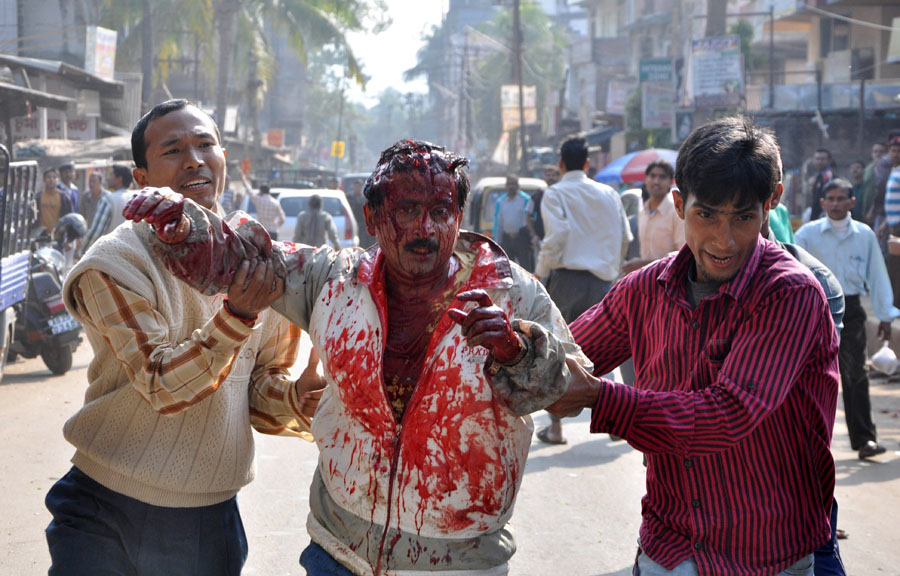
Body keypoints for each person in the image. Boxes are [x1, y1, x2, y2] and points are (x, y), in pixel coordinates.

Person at [123, 138, 587, 576]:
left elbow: (574, 394)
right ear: (371, 216)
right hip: (338, 551)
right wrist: (186, 227)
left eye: (440, 211)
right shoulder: (333, 280)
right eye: (406, 210)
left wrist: (517, 350)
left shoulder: (513, 294)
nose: (425, 229)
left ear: (459, 214)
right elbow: (244, 257)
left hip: (461, 564)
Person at [549, 117, 839, 576]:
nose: (724, 240)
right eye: (707, 215)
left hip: (765, 556)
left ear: (772, 203)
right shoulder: (644, 289)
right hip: (668, 545)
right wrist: (511, 344)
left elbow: (728, 413)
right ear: (681, 205)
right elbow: (564, 353)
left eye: (743, 217)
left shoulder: (790, 293)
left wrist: (601, 398)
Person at [44, 99, 321, 576]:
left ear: (223, 160)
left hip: (208, 523)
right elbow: (162, 385)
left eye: (204, 145)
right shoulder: (115, 263)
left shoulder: (258, 260)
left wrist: (297, 399)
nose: (193, 159)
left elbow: (256, 389)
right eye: (172, 150)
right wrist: (237, 315)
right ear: (142, 180)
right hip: (102, 510)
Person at [534, 134, 631, 445]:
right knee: (608, 350)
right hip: (604, 280)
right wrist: (612, 271)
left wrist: (540, 271)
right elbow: (625, 237)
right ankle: (616, 421)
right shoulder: (609, 194)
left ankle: (557, 427)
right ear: (587, 163)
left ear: (561, 164)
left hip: (565, 279)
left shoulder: (555, 193)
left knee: (557, 351)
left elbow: (557, 235)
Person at [797, 178, 897, 460]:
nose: (837, 204)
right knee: (809, 376)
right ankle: (806, 441)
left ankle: (864, 439)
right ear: (822, 203)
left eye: (842, 199)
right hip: (813, 309)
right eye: (831, 199)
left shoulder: (864, 235)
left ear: (852, 203)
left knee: (855, 374)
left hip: (851, 309)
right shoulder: (807, 234)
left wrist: (886, 314)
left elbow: (877, 276)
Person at [621, 159, 684, 274]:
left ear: (671, 182)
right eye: (652, 176)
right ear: (646, 180)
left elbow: (683, 255)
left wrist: (643, 264)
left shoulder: (676, 212)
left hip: (670, 281)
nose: (656, 181)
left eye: (662, 177)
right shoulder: (643, 212)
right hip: (646, 281)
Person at [82, 164, 135, 250]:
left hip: (111, 253)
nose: (108, 178)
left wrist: (83, 252)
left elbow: (96, 234)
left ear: (119, 179)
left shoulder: (108, 200)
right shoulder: (135, 198)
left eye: (111, 175)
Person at [492, 175, 533, 270]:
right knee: (507, 269)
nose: (511, 186)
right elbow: (498, 224)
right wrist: (497, 243)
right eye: (509, 184)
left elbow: (529, 220)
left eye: (514, 184)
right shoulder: (500, 201)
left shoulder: (526, 200)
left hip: (522, 239)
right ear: (506, 186)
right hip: (507, 239)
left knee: (525, 269)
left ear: (518, 186)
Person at [35, 168, 74, 232]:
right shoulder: (38, 198)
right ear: (44, 180)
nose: (51, 179)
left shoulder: (64, 198)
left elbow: (70, 218)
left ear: (58, 180)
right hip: (41, 236)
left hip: (58, 235)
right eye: (49, 177)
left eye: (54, 177)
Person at [809, 148, 834, 221]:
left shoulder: (829, 177)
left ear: (829, 161)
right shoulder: (817, 177)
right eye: (817, 159)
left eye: (823, 159)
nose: (819, 162)